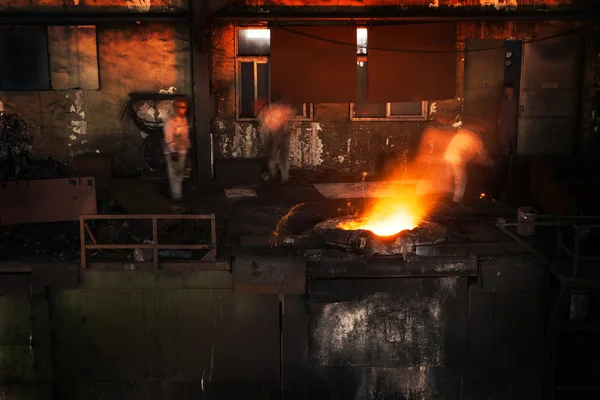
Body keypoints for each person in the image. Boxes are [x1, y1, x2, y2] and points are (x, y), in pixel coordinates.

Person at [443, 118, 493, 204]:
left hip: (448, 156)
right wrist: (490, 162)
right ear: (481, 127)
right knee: (461, 181)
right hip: (457, 158)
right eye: (484, 128)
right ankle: (456, 202)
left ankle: (447, 199)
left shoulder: (463, 131)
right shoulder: (476, 136)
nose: (484, 130)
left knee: (451, 179)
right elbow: (480, 153)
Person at [256, 98, 294, 183]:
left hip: (278, 136)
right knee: (282, 159)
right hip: (281, 136)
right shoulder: (275, 110)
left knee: (274, 158)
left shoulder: (267, 113)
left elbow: (267, 131)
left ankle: (275, 178)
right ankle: (283, 179)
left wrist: (270, 146)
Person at [163, 97, 190, 200]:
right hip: (173, 152)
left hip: (182, 151)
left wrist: (187, 149)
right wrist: (173, 152)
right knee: (174, 174)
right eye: (181, 107)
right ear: (175, 107)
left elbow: (185, 136)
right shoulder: (170, 121)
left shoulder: (184, 119)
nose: (184, 109)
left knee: (180, 174)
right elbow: (168, 138)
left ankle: (178, 195)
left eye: (185, 107)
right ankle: (176, 197)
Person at [497, 81, 519, 199]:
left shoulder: (517, 101)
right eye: (505, 90)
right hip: (505, 126)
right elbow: (500, 114)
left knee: (513, 142)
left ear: (512, 90)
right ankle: (504, 158)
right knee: (504, 145)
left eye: (508, 90)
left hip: (513, 126)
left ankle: (514, 159)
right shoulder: (503, 101)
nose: (507, 92)